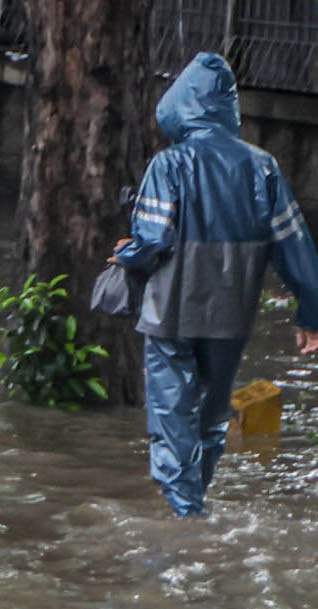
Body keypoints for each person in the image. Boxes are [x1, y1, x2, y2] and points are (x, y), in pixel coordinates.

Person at [110, 52, 318, 519]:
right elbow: (295, 245)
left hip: (171, 313)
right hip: (231, 315)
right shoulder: (264, 168)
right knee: (209, 421)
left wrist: (125, 252)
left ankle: (186, 524)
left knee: (171, 420)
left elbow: (153, 239)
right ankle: (194, 508)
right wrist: (311, 313)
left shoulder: (170, 164)